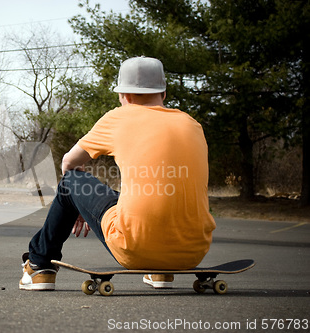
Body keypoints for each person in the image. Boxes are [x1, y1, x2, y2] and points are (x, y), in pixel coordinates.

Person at [19, 56, 216, 291]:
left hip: (135, 248)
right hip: (193, 251)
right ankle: (160, 272)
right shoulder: (193, 125)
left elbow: (69, 162)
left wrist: (79, 205)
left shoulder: (118, 118)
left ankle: (40, 265)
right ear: (163, 93)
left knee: (71, 180)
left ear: (125, 95)